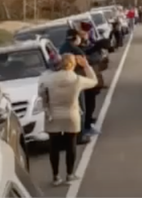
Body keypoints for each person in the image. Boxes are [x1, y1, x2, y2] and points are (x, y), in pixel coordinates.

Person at [38, 54, 97, 186]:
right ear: (74, 64)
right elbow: (94, 81)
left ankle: (56, 176)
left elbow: (41, 92)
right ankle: (70, 174)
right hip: (72, 114)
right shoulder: (77, 79)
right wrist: (86, 66)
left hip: (53, 115)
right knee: (71, 145)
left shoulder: (49, 79)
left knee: (54, 146)